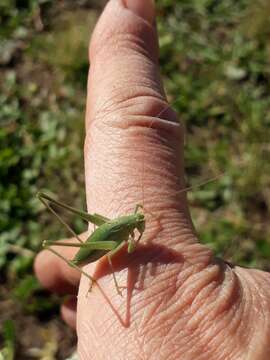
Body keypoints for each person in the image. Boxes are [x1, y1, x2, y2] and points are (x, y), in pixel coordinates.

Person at [34, 0, 270, 358]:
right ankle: (90, 275)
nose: (141, 221)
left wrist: (138, 223)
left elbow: (134, 229)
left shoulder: (134, 221)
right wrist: (124, 248)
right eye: (139, 219)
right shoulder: (129, 233)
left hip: (106, 235)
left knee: (97, 249)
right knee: (123, 277)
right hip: (102, 247)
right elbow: (127, 248)